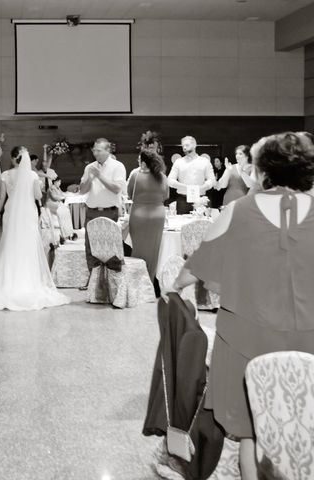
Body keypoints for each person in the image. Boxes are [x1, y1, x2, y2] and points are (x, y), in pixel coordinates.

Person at [172, 132, 314, 479]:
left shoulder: (238, 210)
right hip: (310, 339)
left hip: (245, 342)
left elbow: (197, 265)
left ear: (262, 170)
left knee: (252, 430)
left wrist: (172, 288)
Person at [0, 147, 70, 311]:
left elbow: (2, 197)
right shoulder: (32, 175)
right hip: (28, 213)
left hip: (11, 212)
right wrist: (38, 186)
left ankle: (9, 282)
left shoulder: (6, 175)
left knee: (11, 244)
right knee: (28, 245)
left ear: (12, 159)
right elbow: (38, 196)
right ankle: (29, 281)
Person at [79, 138, 127, 271]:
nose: (95, 153)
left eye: (99, 150)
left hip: (109, 212)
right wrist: (90, 178)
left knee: (110, 247)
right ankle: (94, 281)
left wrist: (99, 176)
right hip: (91, 212)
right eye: (94, 150)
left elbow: (117, 189)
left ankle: (113, 280)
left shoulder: (118, 166)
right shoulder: (90, 167)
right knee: (91, 248)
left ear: (108, 150)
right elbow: (82, 190)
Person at [127, 149, 169, 286]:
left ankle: (136, 284)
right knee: (153, 251)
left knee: (138, 249)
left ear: (143, 163)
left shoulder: (136, 175)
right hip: (157, 215)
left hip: (139, 214)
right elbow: (166, 196)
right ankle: (149, 284)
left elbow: (130, 194)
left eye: (139, 160)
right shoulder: (162, 176)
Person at [168, 136, 215, 214]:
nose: (184, 148)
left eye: (187, 145)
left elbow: (212, 180)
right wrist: (185, 187)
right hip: (183, 200)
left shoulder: (205, 161)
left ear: (194, 145)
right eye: (183, 146)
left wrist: (201, 188)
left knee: (201, 224)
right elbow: (170, 180)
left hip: (200, 200)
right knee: (181, 225)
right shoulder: (178, 162)